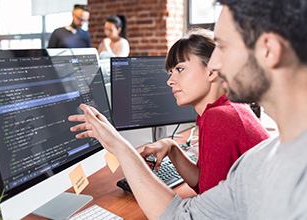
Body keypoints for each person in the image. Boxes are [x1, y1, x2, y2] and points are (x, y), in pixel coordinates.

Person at [68, 0, 307, 219]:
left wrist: (119, 146)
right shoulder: (263, 157)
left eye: (223, 46)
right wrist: (171, 147)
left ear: (269, 49)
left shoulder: (224, 119)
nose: (214, 64)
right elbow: (197, 205)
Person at [139, 29, 269, 194]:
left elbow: (208, 206)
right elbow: (203, 184)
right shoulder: (229, 107)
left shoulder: (219, 118)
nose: (170, 81)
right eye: (171, 73)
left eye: (179, 69)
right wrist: (172, 148)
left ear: (212, 71)